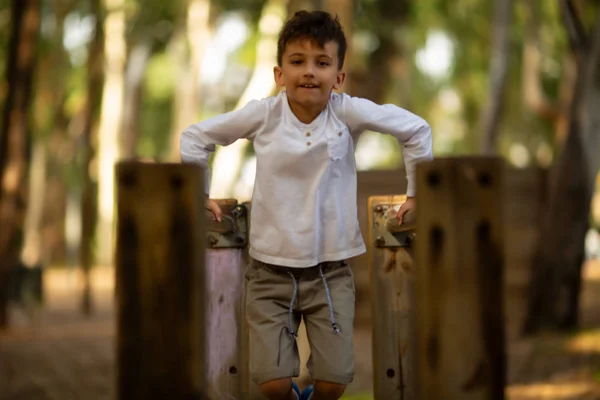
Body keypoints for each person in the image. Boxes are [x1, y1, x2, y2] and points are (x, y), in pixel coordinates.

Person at [180, 10, 433, 400]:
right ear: (280, 74)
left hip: (329, 272)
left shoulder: (346, 112)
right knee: (274, 385)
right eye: (297, 62)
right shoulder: (263, 116)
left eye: (322, 62)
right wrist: (198, 192)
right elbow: (196, 137)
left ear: (339, 77)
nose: (309, 72)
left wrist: (416, 192)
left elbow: (416, 130)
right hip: (268, 272)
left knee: (333, 383)